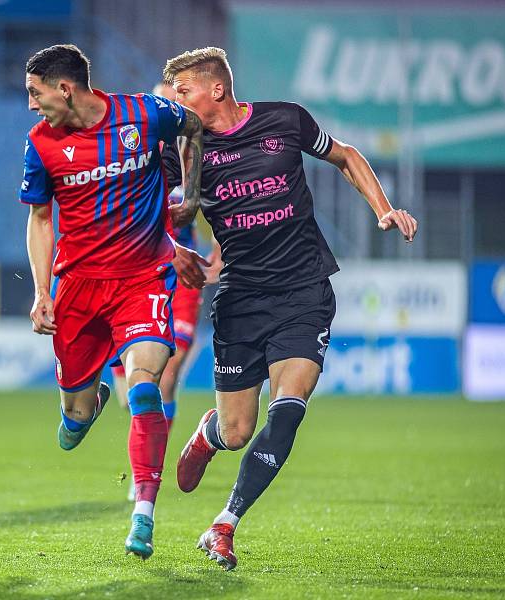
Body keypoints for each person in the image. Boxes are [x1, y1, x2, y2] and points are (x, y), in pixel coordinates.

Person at [162, 47, 418, 570]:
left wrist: (384, 208)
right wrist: (175, 249)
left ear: (216, 89)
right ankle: (211, 432)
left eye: (182, 90)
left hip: (304, 291)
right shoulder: (184, 149)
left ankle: (223, 525)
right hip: (241, 299)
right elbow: (155, 210)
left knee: (288, 410)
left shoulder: (285, 119)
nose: (175, 100)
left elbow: (345, 154)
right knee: (237, 432)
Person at [19, 44, 206, 560]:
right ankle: (87, 407)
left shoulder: (143, 113)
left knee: (147, 387)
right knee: (72, 424)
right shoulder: (41, 144)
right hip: (77, 288)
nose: (32, 104)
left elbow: (193, 125)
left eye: (35, 93)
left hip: (142, 279)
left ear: (65, 88)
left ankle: (143, 514)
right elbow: (39, 219)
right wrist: (41, 293)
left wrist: (189, 195)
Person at [109, 82, 221, 502]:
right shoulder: (133, 159)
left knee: (168, 376)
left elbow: (221, 213)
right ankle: (115, 369)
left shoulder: (198, 159)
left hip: (179, 279)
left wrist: (217, 259)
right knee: (135, 395)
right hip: (135, 276)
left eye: (176, 103)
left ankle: (147, 474)